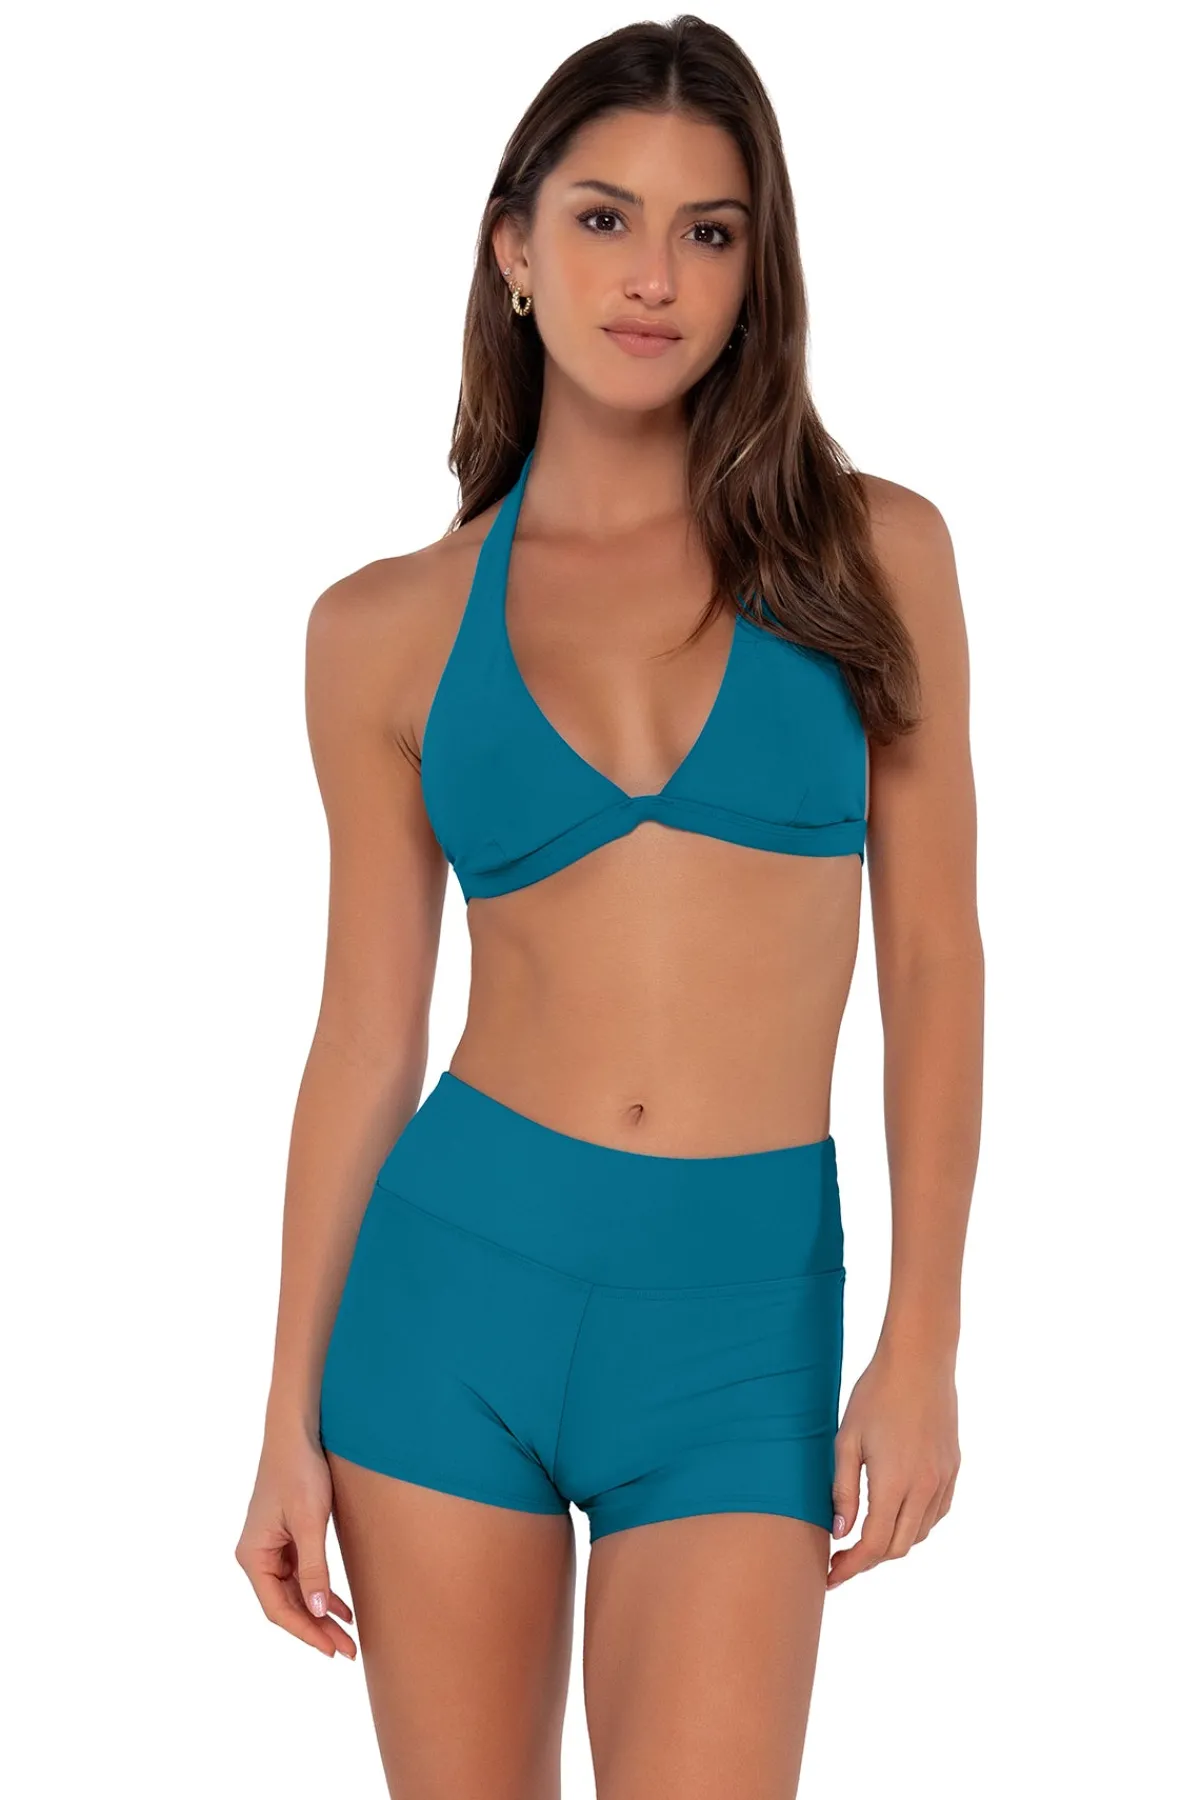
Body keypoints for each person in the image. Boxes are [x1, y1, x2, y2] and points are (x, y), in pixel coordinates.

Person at [236, 15, 983, 1795]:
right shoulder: (383, 629)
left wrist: (925, 1340)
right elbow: (363, 1039)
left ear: (755, 268)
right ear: (512, 248)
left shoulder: (875, 556)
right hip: (452, 1301)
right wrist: (280, 1412)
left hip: (740, 1326)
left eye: (708, 231)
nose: (654, 277)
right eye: (601, 219)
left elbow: (937, 961)